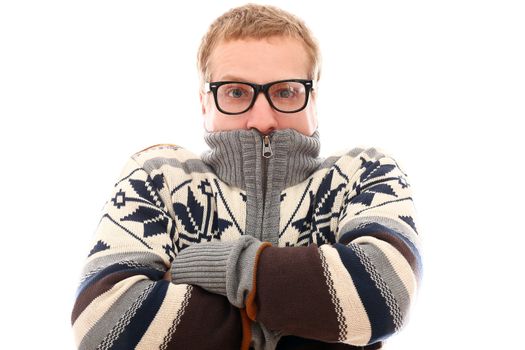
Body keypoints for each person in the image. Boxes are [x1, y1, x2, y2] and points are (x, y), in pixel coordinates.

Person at [71, 4, 422, 350]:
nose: (262, 118)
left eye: (286, 91)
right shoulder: (155, 175)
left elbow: (383, 294)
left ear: (313, 100)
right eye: (236, 93)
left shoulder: (366, 170)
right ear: (204, 103)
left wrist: (216, 266)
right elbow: (104, 327)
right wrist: (311, 321)